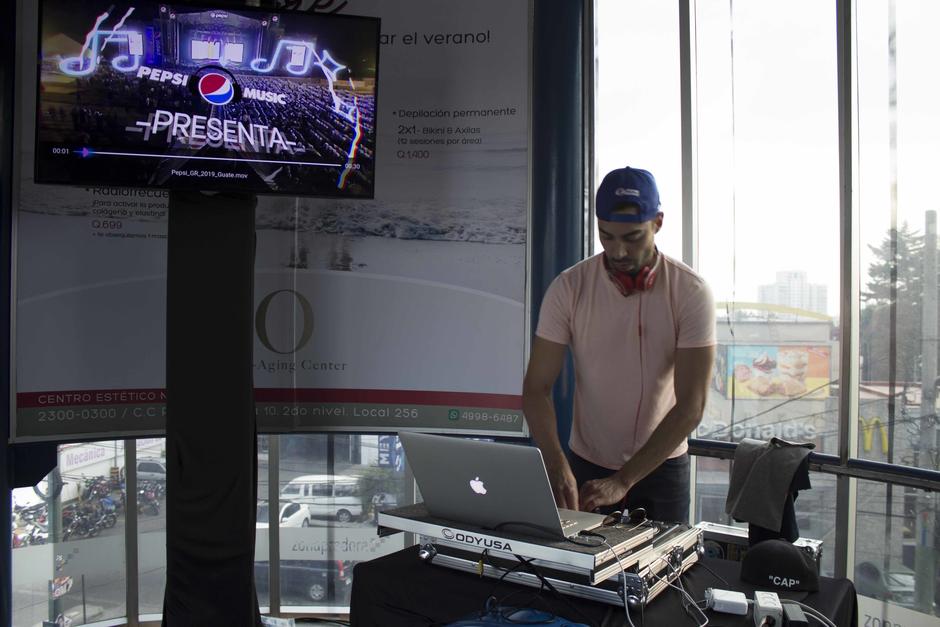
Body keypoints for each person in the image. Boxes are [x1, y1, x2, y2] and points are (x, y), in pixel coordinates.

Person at [522, 166, 715, 523]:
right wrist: (556, 463)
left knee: (663, 560)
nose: (618, 250)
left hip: (662, 466)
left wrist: (624, 480)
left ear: (658, 223)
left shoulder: (691, 292)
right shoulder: (568, 288)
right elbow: (536, 388)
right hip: (586, 462)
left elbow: (692, 405)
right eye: (606, 236)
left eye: (632, 237)